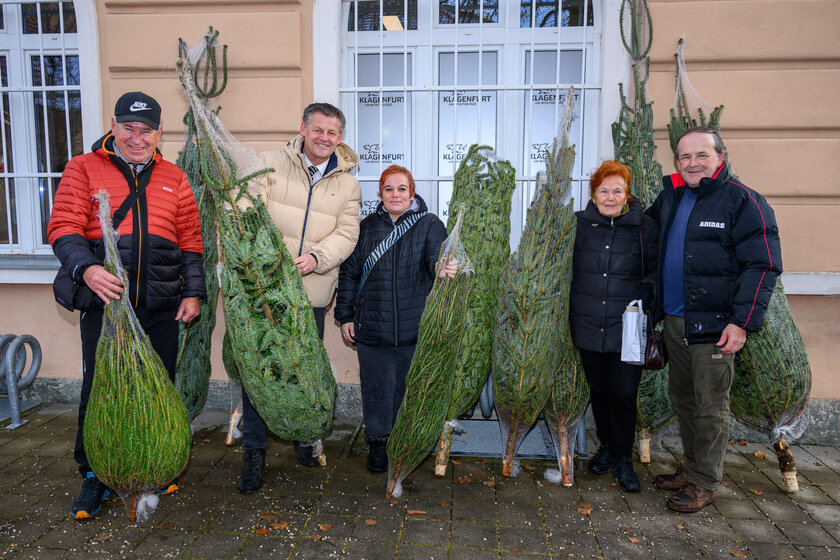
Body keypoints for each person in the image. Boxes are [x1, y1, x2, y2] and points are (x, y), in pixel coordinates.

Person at [47, 91, 205, 519]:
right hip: (107, 305)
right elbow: (63, 226)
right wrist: (87, 270)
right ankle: (95, 475)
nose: (138, 138)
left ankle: (153, 464)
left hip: (160, 304)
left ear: (159, 133)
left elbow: (191, 240)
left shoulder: (173, 176)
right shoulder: (83, 168)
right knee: (101, 390)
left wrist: (192, 292)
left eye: (146, 130)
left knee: (157, 390)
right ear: (114, 127)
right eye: (129, 128)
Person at [647, 127, 782, 513]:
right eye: (685, 157)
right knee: (684, 400)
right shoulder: (671, 196)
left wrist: (741, 322)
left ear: (720, 157)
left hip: (716, 327)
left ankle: (705, 482)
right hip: (675, 321)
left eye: (701, 155)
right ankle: (692, 469)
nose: (692, 163)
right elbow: (647, 236)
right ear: (677, 162)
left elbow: (763, 265)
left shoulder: (743, 202)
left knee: (710, 406)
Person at [237, 102, 361, 493]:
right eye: (318, 129)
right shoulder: (269, 162)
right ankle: (254, 452)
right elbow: (244, 206)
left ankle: (306, 438)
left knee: (304, 370)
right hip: (266, 295)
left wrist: (316, 258)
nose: (325, 138)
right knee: (263, 375)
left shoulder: (348, 183)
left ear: (340, 138)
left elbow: (347, 233)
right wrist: (267, 258)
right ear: (303, 128)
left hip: (312, 293)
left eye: (333, 132)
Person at [334, 165, 455, 473]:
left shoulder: (429, 224)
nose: (396, 194)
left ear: (412, 193)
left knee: (407, 391)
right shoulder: (366, 227)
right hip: (372, 328)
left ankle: (405, 446)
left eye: (402, 189)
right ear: (381, 194)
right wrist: (345, 314)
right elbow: (349, 273)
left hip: (414, 329)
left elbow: (434, 257)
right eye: (389, 189)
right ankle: (377, 443)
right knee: (375, 391)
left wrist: (440, 266)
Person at [569, 160, 658, 492]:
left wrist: (648, 289)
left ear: (627, 194)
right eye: (603, 191)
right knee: (600, 391)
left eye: (616, 191)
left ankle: (623, 457)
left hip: (628, 327)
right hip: (589, 322)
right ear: (593, 195)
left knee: (623, 392)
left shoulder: (644, 228)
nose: (610, 197)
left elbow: (657, 270)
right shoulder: (578, 225)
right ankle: (606, 445)